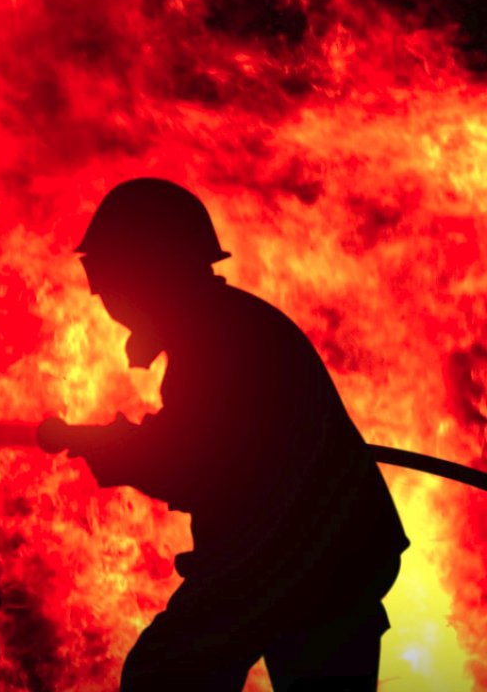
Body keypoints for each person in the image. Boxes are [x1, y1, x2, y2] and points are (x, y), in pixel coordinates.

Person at [37, 178, 409, 691]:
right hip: (332, 553)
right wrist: (114, 443)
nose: (102, 294)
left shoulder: (217, 338)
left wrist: (113, 446)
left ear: (151, 274)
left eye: (108, 277)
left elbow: (192, 461)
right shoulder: (226, 326)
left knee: (163, 677)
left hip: (296, 556)